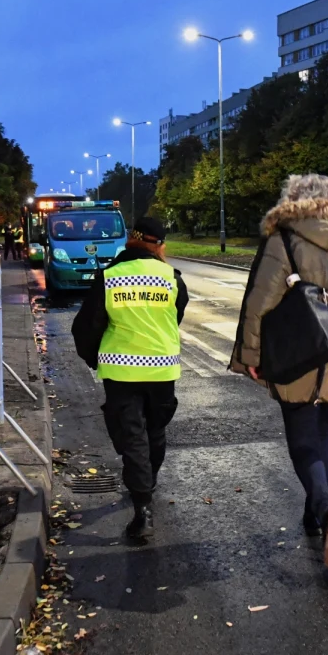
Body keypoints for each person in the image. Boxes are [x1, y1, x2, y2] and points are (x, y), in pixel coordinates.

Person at [230, 174, 328, 569]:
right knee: (324, 435)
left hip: (300, 355)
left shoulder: (284, 238)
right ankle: (314, 514)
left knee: (303, 439)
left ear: (294, 200)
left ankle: (324, 509)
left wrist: (251, 355)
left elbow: (260, 303)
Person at [72, 217, 189, 540]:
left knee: (132, 436)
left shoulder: (109, 277)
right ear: (159, 246)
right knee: (155, 430)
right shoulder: (172, 277)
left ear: (130, 241)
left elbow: (86, 326)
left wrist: (93, 357)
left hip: (121, 371)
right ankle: (147, 483)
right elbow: (176, 314)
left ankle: (142, 508)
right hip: (162, 370)